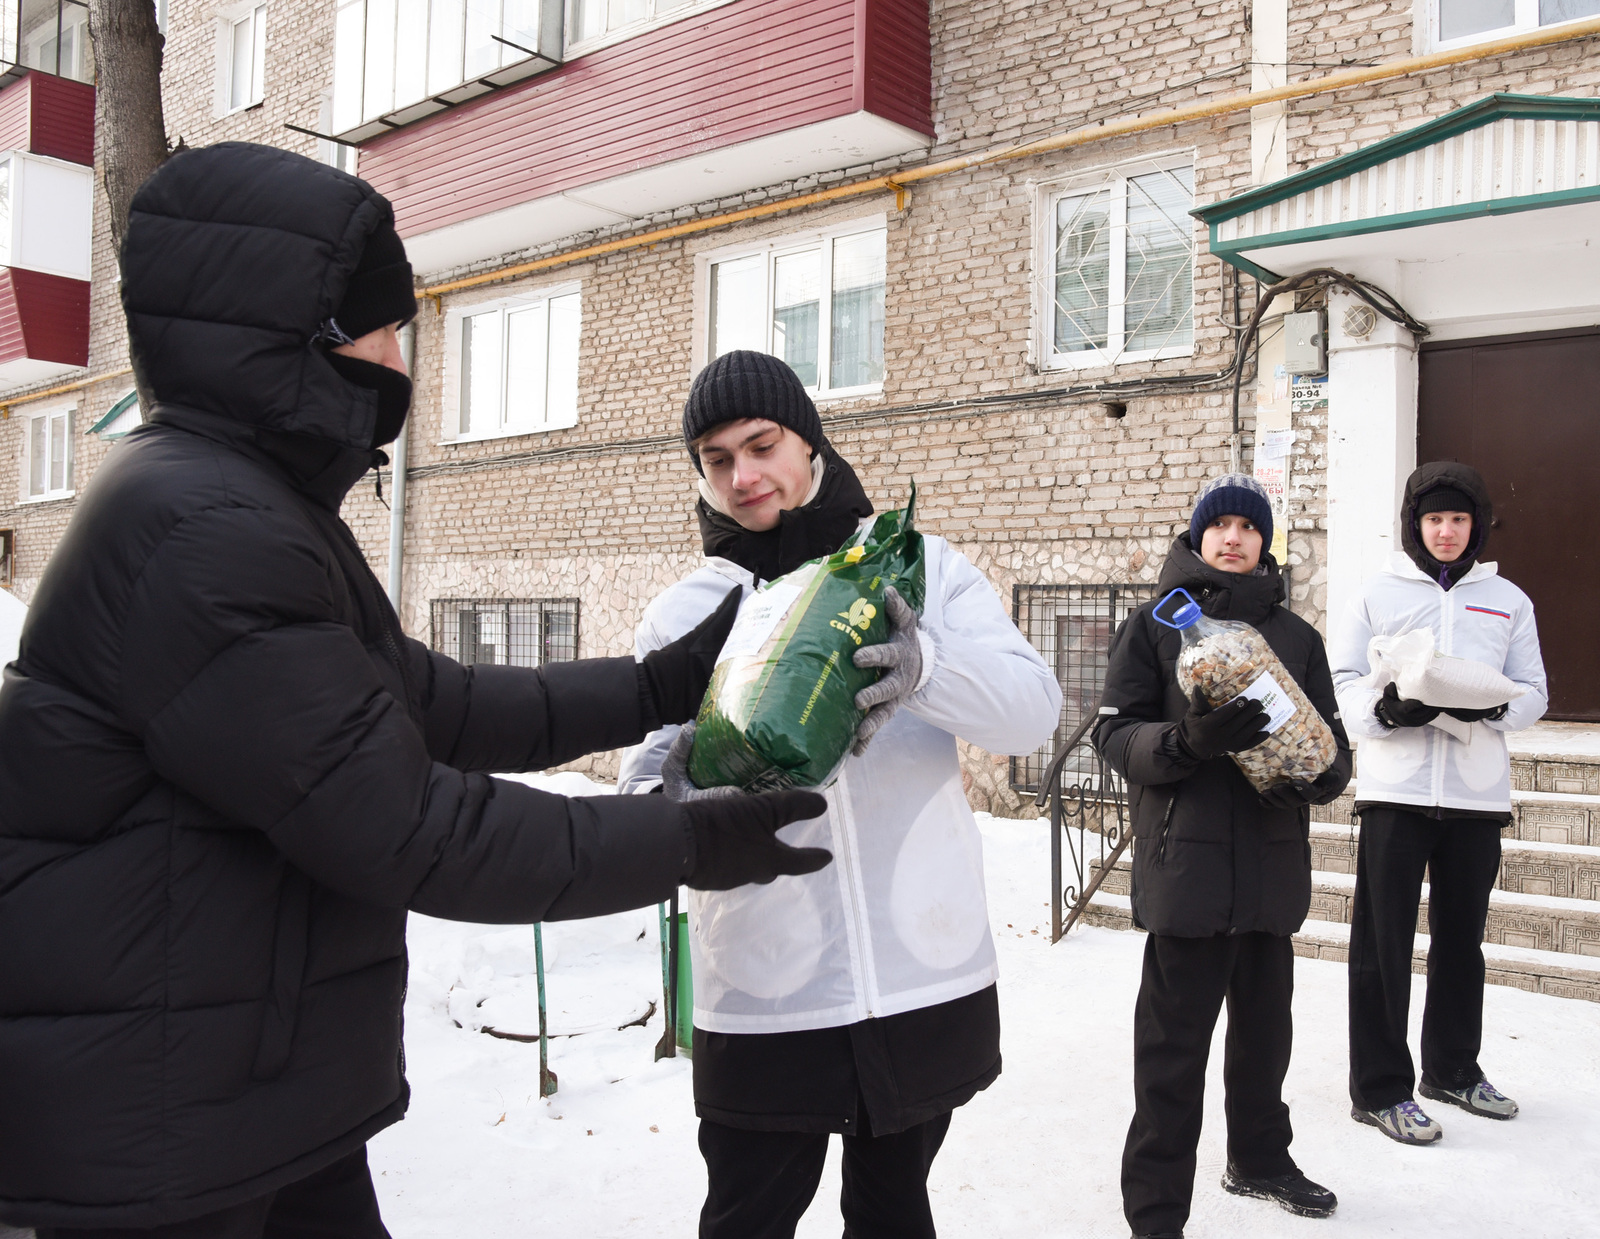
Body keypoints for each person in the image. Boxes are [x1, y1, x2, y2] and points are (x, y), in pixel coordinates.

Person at [0, 144, 832, 1238]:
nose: (402, 356)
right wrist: (683, 843)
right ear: (295, 338)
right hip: (156, 1122)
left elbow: (433, 704)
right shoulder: (202, 533)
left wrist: (654, 685)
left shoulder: (244, 507)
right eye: (383, 325)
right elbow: (406, 825)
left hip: (233, 1080)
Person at [616, 350, 1062, 1239]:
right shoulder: (688, 612)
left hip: (918, 971)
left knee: (895, 1211)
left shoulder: (916, 567)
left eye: (762, 443)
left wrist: (926, 668)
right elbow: (645, 787)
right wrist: (673, 797)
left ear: (809, 440)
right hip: (768, 985)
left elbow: (1031, 713)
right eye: (716, 458)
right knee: (747, 1214)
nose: (743, 476)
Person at [1093, 473, 1351, 1239]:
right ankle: (1156, 1209)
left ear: (1264, 541)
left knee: (1266, 1038)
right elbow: (1114, 734)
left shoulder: (1297, 638)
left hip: (1272, 871)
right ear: (1198, 536)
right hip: (1188, 873)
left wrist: (1325, 774)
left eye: (1248, 526)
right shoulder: (1153, 627)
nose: (1233, 537)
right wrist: (1186, 742)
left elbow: (1327, 734)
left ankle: (1261, 1159)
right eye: (1220, 525)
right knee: (1171, 1056)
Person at [1330, 462, 1547, 1145]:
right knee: (1382, 944)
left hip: (1476, 796)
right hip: (1395, 793)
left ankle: (1452, 1067)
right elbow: (1342, 680)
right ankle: (1380, 1088)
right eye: (1434, 519)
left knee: (1461, 942)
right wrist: (1385, 711)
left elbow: (1535, 691)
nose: (1446, 531)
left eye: (1458, 519)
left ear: (1476, 526)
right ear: (1415, 525)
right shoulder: (1379, 592)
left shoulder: (1507, 600)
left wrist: (1486, 708)